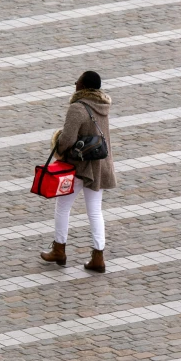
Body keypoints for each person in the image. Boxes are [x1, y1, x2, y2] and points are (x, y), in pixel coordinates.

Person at [40, 71, 116, 272]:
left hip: (79, 167)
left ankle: (59, 249)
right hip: (99, 166)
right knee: (95, 211)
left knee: (62, 207)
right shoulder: (103, 107)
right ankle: (98, 256)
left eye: (78, 81)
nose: (75, 84)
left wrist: (57, 145)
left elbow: (67, 140)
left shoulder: (77, 108)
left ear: (83, 86)